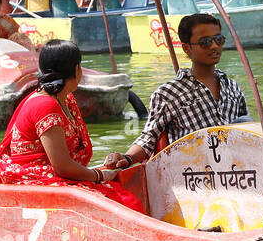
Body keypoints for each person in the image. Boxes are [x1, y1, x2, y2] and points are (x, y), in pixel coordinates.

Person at [0, 40, 143, 212]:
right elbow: (62, 166)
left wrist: (102, 170)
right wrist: (99, 175)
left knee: (120, 193)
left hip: (54, 174)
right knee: (123, 203)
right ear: (76, 70)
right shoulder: (45, 106)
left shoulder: (65, 99)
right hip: (36, 179)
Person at [105, 13, 249, 168]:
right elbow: (148, 138)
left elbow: (247, 129)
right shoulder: (167, 94)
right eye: (205, 42)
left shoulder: (232, 87)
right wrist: (127, 158)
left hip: (236, 170)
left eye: (218, 40)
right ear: (187, 48)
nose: (214, 46)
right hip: (195, 176)